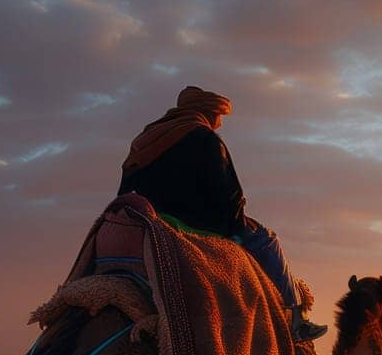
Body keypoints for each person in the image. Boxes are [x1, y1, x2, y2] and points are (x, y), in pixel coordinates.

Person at [119, 86, 326, 340]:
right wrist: (239, 225)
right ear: (207, 112)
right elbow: (230, 196)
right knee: (267, 240)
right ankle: (297, 320)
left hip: (146, 221)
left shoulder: (145, 141)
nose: (219, 123)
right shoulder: (205, 138)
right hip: (198, 226)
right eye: (218, 117)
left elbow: (125, 186)